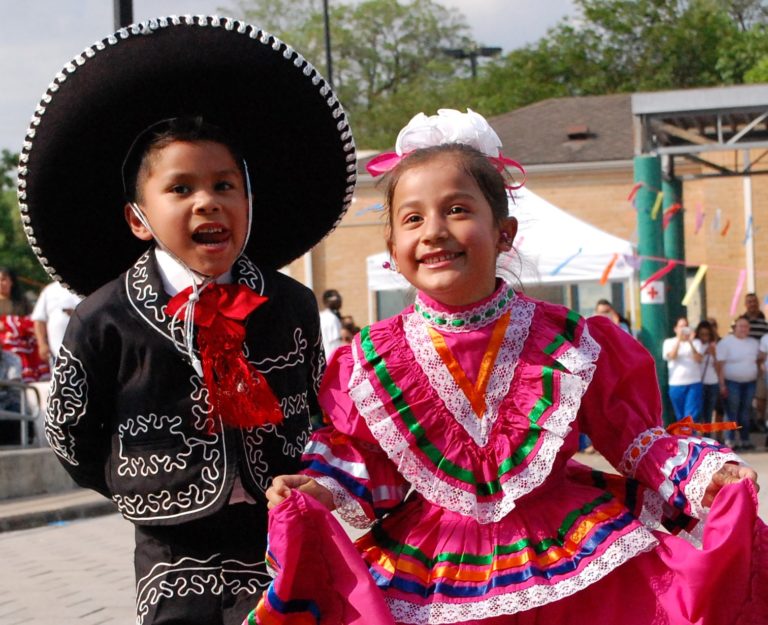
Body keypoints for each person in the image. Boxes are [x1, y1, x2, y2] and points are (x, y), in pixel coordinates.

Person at [254, 109, 767, 625]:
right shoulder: (370, 360)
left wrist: (705, 474)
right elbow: (373, 463)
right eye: (412, 219)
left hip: (576, 561)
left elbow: (634, 438)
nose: (433, 231)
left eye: (456, 209)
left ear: (504, 232)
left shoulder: (572, 342)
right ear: (392, 248)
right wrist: (321, 489)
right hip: (435, 569)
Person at [20, 17, 355, 625]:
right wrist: (145, 483)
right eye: (181, 188)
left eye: (225, 184)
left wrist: (306, 479)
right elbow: (72, 433)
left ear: (248, 204)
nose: (208, 201)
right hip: (171, 546)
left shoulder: (290, 305)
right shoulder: (104, 317)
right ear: (138, 219)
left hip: (279, 529)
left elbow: (320, 409)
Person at [717, 316, 761, 450]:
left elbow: (758, 362)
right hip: (731, 383)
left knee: (746, 412)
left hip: (749, 382)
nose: (743, 329)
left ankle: (744, 439)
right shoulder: (726, 342)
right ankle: (729, 440)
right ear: (735, 327)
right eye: (741, 326)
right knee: (731, 412)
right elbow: (719, 365)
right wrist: (722, 384)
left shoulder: (754, 343)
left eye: (746, 326)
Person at [30, 281, 83, 366]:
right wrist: (42, 344)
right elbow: (39, 320)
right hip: (57, 352)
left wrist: (77, 313)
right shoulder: (49, 290)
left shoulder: (86, 288)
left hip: (84, 350)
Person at [662, 316, 703, 422]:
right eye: (681, 326)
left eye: (686, 326)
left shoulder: (696, 342)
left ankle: (690, 437)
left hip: (693, 383)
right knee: (680, 416)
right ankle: (683, 437)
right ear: (675, 329)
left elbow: (698, 358)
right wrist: (679, 340)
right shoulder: (669, 342)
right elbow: (671, 356)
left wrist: (690, 341)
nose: (684, 329)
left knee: (690, 415)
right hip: (676, 384)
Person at [695, 320, 720, 425]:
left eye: (707, 335)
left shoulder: (715, 346)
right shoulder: (695, 345)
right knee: (698, 412)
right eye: (702, 334)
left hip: (712, 382)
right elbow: (696, 360)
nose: (704, 337)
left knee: (709, 413)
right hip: (698, 382)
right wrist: (704, 353)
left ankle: (707, 436)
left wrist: (714, 355)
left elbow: (718, 367)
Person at [320, 289, 343, 357]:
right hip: (330, 359)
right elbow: (335, 344)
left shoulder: (320, 316)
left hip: (321, 360)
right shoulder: (333, 319)